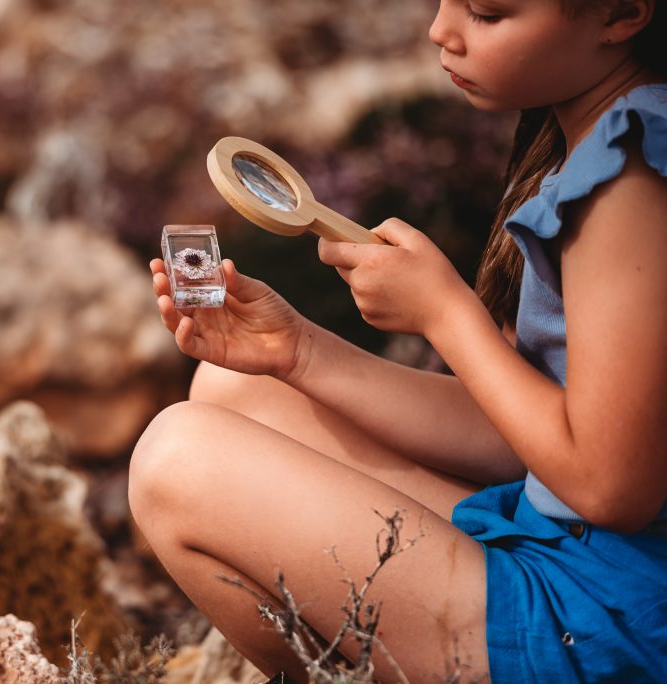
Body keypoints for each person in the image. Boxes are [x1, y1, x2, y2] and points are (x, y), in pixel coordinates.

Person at [128, 0, 667, 682]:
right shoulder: (598, 148)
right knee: (236, 389)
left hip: (602, 621)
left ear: (622, 14)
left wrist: (446, 313)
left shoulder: (630, 178)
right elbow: (521, 439)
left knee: (177, 461)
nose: (442, 31)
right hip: (569, 553)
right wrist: (296, 350)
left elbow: (611, 486)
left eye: (488, 13)